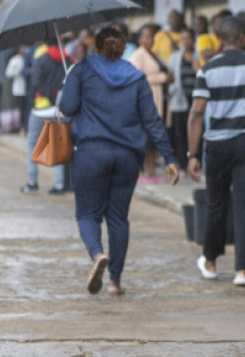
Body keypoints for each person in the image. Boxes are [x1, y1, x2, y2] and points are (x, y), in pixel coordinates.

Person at [59, 27, 179, 296]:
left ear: (97, 46)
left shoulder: (82, 69)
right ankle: (115, 281)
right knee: (118, 218)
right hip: (127, 156)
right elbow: (151, 119)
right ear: (123, 47)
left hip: (91, 153)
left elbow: (66, 108)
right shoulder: (136, 77)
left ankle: (97, 254)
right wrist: (169, 157)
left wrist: (71, 81)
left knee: (87, 214)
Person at [187, 17, 245, 287]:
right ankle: (243, 272)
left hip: (217, 145)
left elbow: (196, 112)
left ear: (221, 39)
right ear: (241, 38)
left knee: (217, 204)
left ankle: (211, 262)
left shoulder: (208, 69)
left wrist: (192, 154)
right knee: (244, 206)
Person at [21, 43, 69, 194]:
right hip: (59, 110)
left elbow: (35, 83)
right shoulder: (67, 59)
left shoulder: (41, 59)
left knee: (32, 145)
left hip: (40, 109)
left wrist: (48, 96)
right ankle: (59, 185)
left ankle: (32, 181)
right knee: (58, 146)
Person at [130, 24, 174, 182]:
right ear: (140, 38)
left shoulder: (154, 54)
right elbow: (136, 79)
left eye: (151, 36)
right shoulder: (138, 55)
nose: (148, 40)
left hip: (161, 99)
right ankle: (143, 171)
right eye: (145, 36)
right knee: (146, 138)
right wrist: (162, 78)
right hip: (147, 101)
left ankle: (152, 170)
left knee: (155, 137)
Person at [168, 28, 197, 172]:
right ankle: (183, 162)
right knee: (180, 132)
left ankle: (195, 159)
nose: (186, 42)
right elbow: (170, 76)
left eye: (188, 38)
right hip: (180, 99)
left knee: (195, 130)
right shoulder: (175, 57)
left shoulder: (198, 56)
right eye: (183, 39)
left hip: (196, 99)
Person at [5, 46, 27, 133]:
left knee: (23, 109)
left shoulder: (25, 58)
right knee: (18, 109)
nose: (23, 50)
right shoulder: (14, 60)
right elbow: (8, 73)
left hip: (25, 88)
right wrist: (18, 72)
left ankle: (22, 126)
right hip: (18, 88)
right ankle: (18, 127)